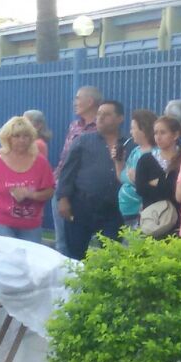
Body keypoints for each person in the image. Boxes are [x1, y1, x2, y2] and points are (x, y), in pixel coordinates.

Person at [56, 100, 128, 259]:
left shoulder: (129, 143)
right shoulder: (83, 140)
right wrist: (63, 199)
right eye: (99, 114)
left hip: (114, 210)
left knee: (111, 256)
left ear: (120, 118)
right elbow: (67, 171)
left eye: (107, 114)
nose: (100, 118)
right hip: (81, 206)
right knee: (74, 256)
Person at [0, 116, 56, 243]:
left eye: (26, 136)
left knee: (28, 260)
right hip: (0, 221)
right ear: (8, 138)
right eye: (16, 136)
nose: (21, 140)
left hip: (31, 224)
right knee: (6, 257)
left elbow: (50, 191)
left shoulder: (41, 163)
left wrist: (30, 194)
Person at [54, 86, 103, 255]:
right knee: (62, 241)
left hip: (82, 192)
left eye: (77, 98)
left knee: (78, 242)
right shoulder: (75, 125)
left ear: (90, 101)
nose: (74, 102)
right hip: (62, 185)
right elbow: (65, 157)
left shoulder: (100, 127)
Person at [136, 115, 181, 214]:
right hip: (153, 220)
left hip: (179, 217)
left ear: (175, 135)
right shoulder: (146, 159)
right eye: (155, 133)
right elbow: (140, 189)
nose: (158, 137)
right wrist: (168, 185)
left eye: (163, 133)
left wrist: (157, 182)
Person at [119, 109, 157, 227]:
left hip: (140, 210)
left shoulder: (156, 153)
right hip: (126, 210)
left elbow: (155, 183)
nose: (131, 132)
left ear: (144, 129)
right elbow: (123, 175)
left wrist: (138, 178)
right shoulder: (135, 151)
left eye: (133, 128)